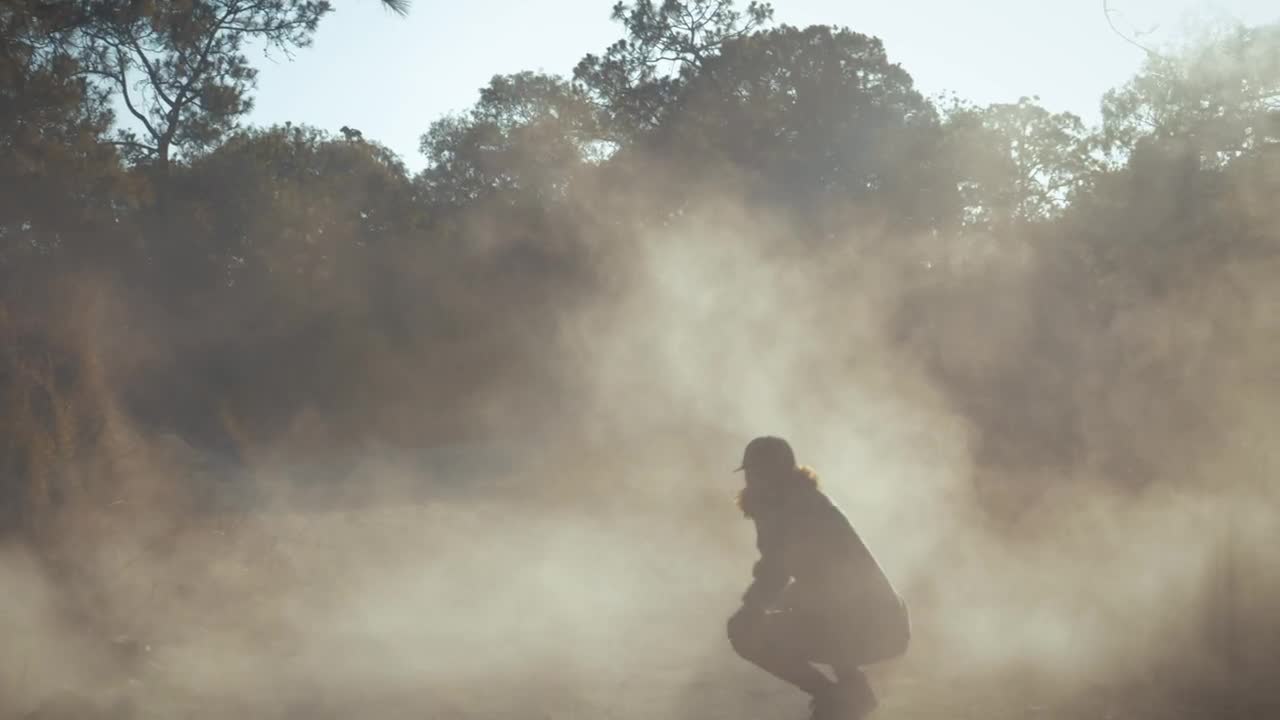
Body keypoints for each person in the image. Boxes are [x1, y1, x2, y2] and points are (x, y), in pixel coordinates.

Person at [726, 436, 910, 720]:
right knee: (808, 605)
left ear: (775, 473)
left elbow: (778, 571)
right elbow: (817, 580)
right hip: (877, 622)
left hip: (874, 627)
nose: (751, 480)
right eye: (750, 472)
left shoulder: (794, 509)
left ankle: (838, 697)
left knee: (743, 631)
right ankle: (849, 691)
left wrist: (751, 609)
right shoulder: (801, 502)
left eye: (757, 472)